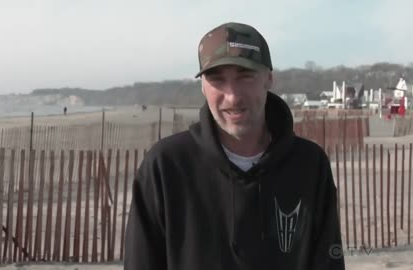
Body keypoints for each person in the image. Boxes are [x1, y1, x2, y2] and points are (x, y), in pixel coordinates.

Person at [125, 22, 345, 269]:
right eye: (217, 79)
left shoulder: (309, 165)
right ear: (202, 86)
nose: (232, 96)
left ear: (269, 79)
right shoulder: (166, 166)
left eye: (245, 76)